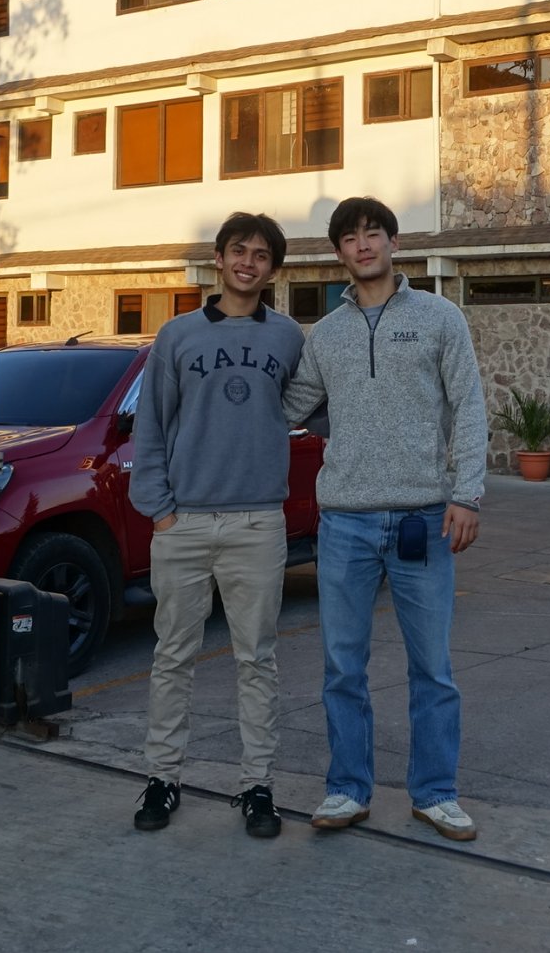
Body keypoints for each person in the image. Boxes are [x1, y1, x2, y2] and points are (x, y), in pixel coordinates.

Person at [284, 196, 487, 842]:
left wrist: (468, 493)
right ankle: (348, 787)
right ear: (339, 253)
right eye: (350, 237)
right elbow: (289, 403)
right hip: (343, 523)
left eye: (374, 233)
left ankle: (435, 792)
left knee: (433, 666)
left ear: (394, 242)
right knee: (343, 666)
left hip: (423, 518)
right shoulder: (328, 335)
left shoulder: (438, 317)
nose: (363, 245)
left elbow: (471, 406)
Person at [128, 211, 304, 839]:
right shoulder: (177, 336)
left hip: (259, 523)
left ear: (272, 269)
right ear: (220, 258)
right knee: (173, 654)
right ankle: (163, 778)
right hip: (185, 524)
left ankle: (257, 785)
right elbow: (150, 425)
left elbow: (319, 407)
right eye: (239, 251)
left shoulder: (288, 337)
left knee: (256, 657)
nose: (248, 262)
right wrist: (162, 511)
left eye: (261, 254)